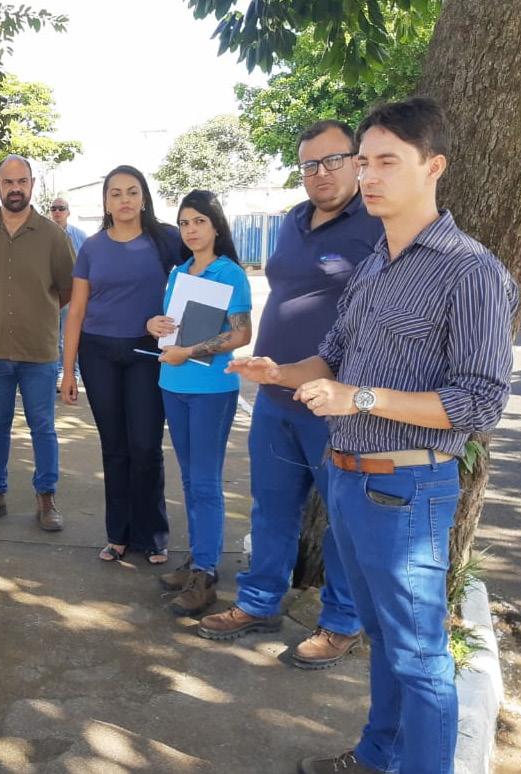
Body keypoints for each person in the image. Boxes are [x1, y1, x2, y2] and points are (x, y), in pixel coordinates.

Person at [229, 98, 517, 774]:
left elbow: (480, 403)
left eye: (388, 161)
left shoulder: (470, 271)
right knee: (385, 640)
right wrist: (279, 372)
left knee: (419, 658)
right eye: (365, 161)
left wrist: (357, 397)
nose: (370, 175)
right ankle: (376, 756)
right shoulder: (376, 261)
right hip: (350, 479)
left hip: (408, 488)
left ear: (434, 166)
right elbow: (332, 357)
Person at [197, 120, 382, 669]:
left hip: (335, 406)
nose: (321, 173)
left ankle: (342, 622)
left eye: (333, 160)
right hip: (275, 398)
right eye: (309, 164)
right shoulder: (294, 220)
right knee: (271, 509)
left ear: (356, 161)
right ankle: (259, 602)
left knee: (344, 519)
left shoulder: (376, 223)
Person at [61, 165, 178, 565]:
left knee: (145, 445)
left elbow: (203, 273)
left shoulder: (166, 240)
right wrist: (69, 370)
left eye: (132, 191)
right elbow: (76, 312)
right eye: (116, 193)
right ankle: (119, 534)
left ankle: (153, 534)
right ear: (106, 202)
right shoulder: (92, 248)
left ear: (144, 198)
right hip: (98, 355)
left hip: (147, 353)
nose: (124, 200)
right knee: (115, 447)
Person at [144, 190, 252, 615]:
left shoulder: (230, 273)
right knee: (189, 480)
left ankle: (205, 574)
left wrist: (189, 352)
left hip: (211, 391)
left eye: (199, 222)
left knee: (205, 482)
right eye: (184, 223)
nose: (190, 230)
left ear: (216, 226)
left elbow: (241, 334)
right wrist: (154, 324)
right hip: (173, 384)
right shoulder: (180, 272)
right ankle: (197, 559)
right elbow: (172, 325)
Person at [0, 155, 75, 531]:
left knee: (43, 426)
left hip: (38, 350)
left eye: (22, 181)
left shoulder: (54, 236)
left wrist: (35, 311)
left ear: (32, 184)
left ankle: (46, 497)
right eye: (8, 182)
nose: (15, 188)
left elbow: (68, 289)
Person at [49, 196, 87, 386]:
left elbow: (88, 266)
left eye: (61, 208)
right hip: (50, 295)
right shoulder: (44, 235)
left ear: (68, 212)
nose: (57, 211)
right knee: (53, 336)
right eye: (54, 208)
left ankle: (73, 371)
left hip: (72, 295)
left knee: (70, 334)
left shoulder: (80, 236)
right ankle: (58, 372)